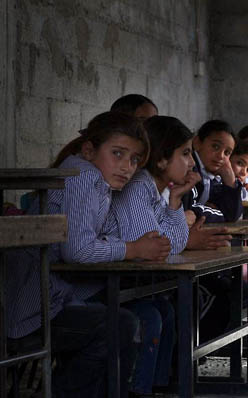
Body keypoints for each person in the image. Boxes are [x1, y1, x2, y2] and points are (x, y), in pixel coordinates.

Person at [6, 111, 167, 398]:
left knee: (128, 316)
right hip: (34, 312)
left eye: (133, 160)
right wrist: (132, 249)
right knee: (121, 324)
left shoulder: (97, 182)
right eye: (117, 154)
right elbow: (78, 250)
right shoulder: (84, 177)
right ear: (90, 150)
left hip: (53, 300)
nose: (127, 167)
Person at [105, 115, 201, 396]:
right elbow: (156, 250)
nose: (193, 163)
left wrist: (175, 202)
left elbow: (175, 245)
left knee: (164, 310)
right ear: (161, 160)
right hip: (101, 282)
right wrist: (173, 221)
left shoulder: (156, 190)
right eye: (185, 153)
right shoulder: (138, 188)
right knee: (151, 316)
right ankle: (140, 391)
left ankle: (157, 387)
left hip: (126, 281)